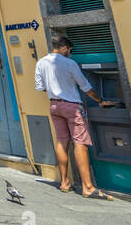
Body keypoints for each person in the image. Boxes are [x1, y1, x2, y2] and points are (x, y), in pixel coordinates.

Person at [35, 32, 117, 199]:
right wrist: (100, 101)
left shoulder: (41, 63)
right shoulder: (70, 63)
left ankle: (64, 182)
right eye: (69, 49)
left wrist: (55, 90)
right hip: (72, 107)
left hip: (54, 105)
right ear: (64, 48)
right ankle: (87, 187)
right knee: (81, 143)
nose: (70, 53)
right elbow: (86, 87)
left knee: (62, 141)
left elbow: (40, 87)